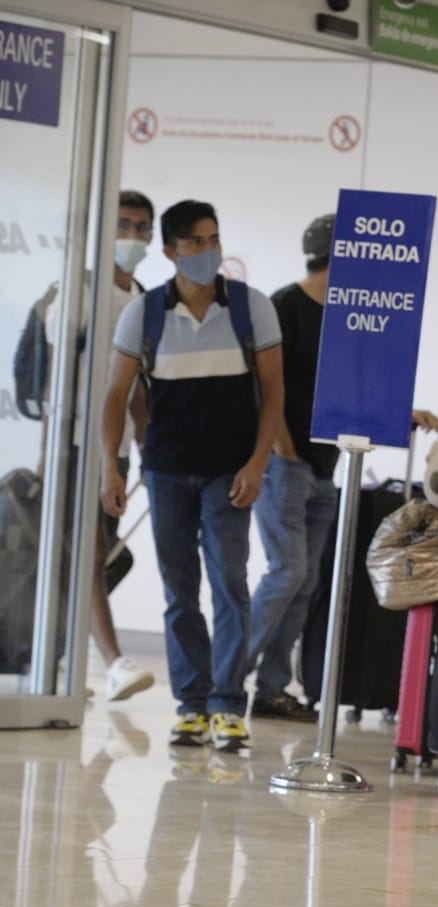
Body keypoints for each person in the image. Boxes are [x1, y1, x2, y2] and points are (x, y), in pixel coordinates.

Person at [101, 199, 284, 752]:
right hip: (166, 472)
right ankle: (191, 706)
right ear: (171, 251)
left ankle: (228, 705)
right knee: (180, 592)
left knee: (230, 585)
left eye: (214, 239)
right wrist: (112, 466)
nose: (208, 252)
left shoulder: (252, 309)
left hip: (229, 473)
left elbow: (274, 393)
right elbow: (117, 395)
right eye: (196, 243)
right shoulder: (146, 313)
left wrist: (258, 462)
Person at [254, 214, 438, 718]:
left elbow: (350, 391)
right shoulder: (285, 307)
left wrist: (404, 414)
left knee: (305, 584)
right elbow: (265, 388)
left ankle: (271, 688)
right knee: (285, 574)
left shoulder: (348, 315)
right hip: (284, 466)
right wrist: (283, 449)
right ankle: (222, 683)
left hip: (323, 469)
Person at [42, 191, 158, 702]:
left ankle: (55, 663)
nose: (132, 236)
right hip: (72, 448)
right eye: (124, 225)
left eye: (141, 227)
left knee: (92, 558)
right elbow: (53, 379)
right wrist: (50, 453)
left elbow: (139, 392)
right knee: (86, 555)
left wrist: (146, 454)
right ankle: (114, 663)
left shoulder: (143, 298)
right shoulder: (80, 291)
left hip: (119, 452)